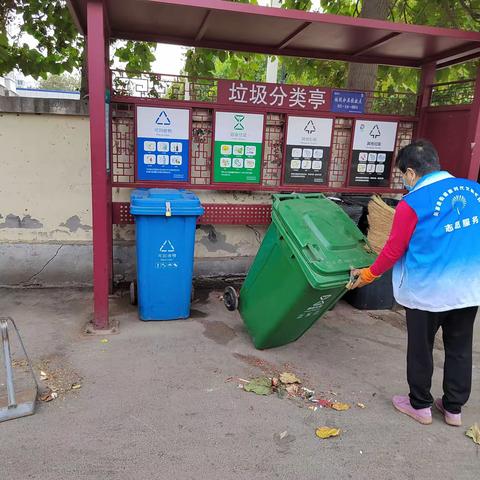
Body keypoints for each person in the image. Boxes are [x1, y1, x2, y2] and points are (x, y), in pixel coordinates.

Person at [348, 140, 479, 426]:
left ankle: (420, 405)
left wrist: (369, 274)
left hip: (426, 292)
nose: (403, 182)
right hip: (468, 290)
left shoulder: (412, 203)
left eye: (402, 176)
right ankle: (454, 409)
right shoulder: (475, 191)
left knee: (421, 347)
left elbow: (394, 250)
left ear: (410, 173)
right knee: (459, 348)